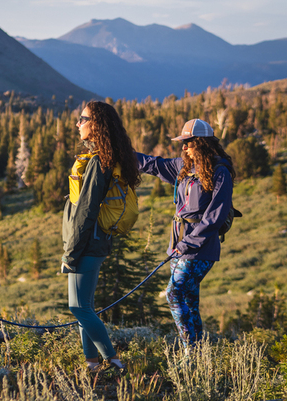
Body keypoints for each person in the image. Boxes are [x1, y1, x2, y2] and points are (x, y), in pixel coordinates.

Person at [136, 118, 235, 350]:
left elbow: (215, 216)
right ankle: (199, 353)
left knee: (173, 294)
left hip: (200, 249)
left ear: (201, 143)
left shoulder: (221, 172)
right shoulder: (184, 168)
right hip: (178, 247)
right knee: (189, 300)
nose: (184, 147)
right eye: (183, 142)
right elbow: (153, 164)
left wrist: (188, 243)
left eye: (188, 142)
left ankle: (190, 353)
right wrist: (119, 151)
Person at [61, 101, 142, 373]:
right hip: (91, 242)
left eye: (82, 119)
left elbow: (86, 210)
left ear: (96, 124)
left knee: (78, 307)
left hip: (88, 243)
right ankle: (92, 363)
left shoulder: (99, 163)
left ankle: (113, 361)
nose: (78, 123)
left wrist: (71, 253)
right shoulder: (107, 158)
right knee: (83, 306)